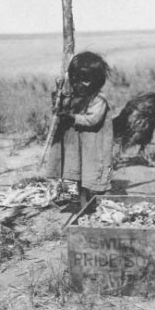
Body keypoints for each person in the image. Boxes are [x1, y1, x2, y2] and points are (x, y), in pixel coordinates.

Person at [46, 51, 114, 209]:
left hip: (93, 146)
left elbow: (92, 120)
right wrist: (58, 94)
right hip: (74, 146)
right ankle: (70, 200)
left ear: (97, 80)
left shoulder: (98, 99)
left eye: (87, 81)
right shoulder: (72, 96)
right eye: (78, 80)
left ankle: (96, 205)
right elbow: (58, 108)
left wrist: (71, 118)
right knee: (71, 168)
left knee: (91, 172)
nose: (83, 85)